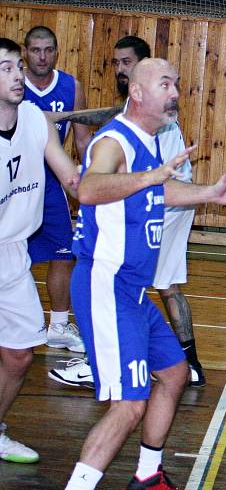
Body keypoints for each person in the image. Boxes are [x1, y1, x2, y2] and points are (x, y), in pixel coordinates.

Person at [63, 58, 226, 490]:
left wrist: (210, 194)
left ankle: (148, 476)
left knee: (174, 373)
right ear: (136, 93)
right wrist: (151, 175)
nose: (174, 92)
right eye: (165, 84)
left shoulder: (150, 141)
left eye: (176, 84)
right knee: (129, 406)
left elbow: (157, 189)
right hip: (106, 284)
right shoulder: (114, 140)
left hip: (134, 292)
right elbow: (90, 188)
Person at [50, 35, 207, 390]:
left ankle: (102, 360)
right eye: (116, 62)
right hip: (164, 199)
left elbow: (108, 124)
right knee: (158, 284)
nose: (118, 69)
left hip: (166, 202)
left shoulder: (149, 110)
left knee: (122, 275)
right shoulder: (137, 112)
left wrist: (62, 115)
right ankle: (186, 363)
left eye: (126, 63)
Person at [0, 37, 80, 463]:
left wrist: (144, 181)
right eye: (5, 68)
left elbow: (74, 179)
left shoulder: (33, 118)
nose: (17, 76)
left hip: (11, 254)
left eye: (17, 67)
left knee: (18, 355)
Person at [23, 25, 91, 353]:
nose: (42, 56)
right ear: (25, 52)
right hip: (14, 182)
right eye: (36, 50)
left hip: (51, 184)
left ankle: (60, 326)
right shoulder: (10, 84)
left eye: (48, 50)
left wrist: (92, 182)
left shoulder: (70, 86)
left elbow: (81, 139)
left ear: (56, 52)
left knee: (64, 253)